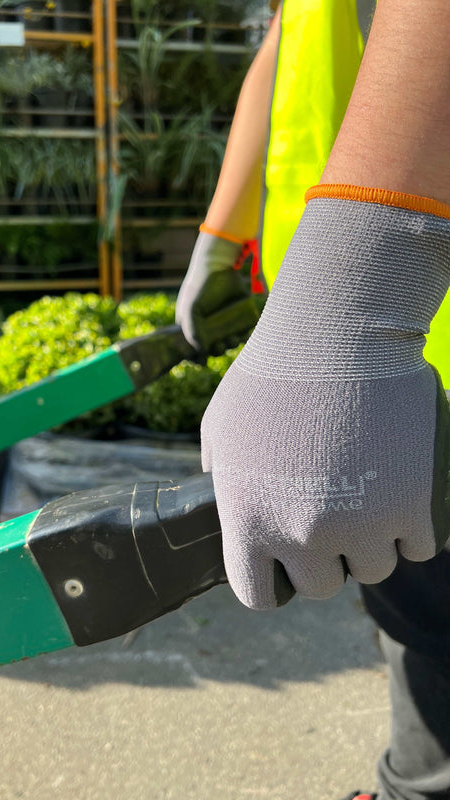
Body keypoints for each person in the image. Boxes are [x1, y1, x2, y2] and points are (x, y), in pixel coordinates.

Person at [176, 1, 450, 799]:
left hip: (396, 314)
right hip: (381, 338)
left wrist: (355, 289)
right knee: (414, 612)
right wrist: (219, 238)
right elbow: (290, 41)